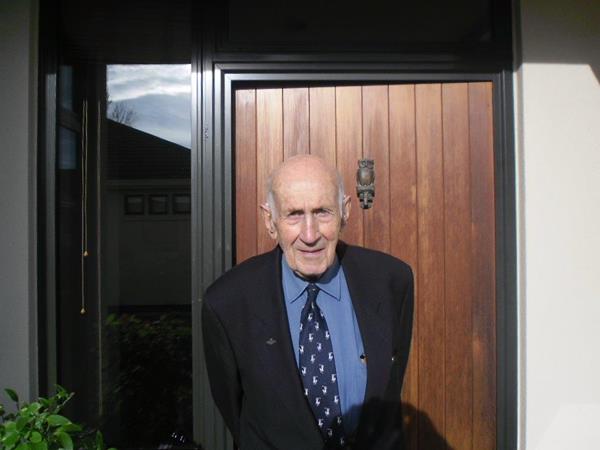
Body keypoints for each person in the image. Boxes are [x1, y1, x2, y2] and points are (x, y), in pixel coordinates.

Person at [202, 155, 414, 449]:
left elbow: (390, 386)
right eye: (294, 214)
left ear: (345, 212)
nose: (310, 235)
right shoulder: (227, 303)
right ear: (270, 221)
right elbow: (233, 408)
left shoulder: (391, 280)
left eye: (322, 212)